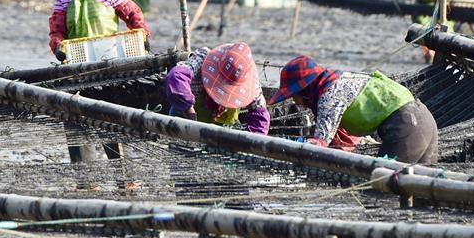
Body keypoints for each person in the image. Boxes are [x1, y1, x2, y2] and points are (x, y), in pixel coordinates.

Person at [269, 55, 438, 163]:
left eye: (293, 94)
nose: (294, 100)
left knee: (381, 186)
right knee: (424, 190)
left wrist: (284, 145)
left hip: (407, 125)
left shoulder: (329, 97)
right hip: (422, 117)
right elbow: (343, 140)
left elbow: (318, 144)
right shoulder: (340, 80)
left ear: (305, 90)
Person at [166, 43, 269, 134]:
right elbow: (176, 75)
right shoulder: (202, 59)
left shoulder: (248, 82)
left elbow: (260, 117)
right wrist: (188, 109)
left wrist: (249, 144)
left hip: (224, 127)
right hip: (186, 119)